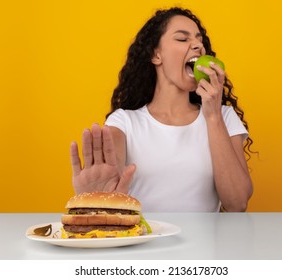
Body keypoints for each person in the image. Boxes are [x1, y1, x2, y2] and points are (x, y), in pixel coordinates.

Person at [70, 7, 254, 212]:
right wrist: (98, 196)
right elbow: (109, 177)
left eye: (199, 40)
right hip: (142, 242)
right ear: (156, 55)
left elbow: (237, 203)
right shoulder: (124, 122)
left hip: (206, 244)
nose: (198, 46)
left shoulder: (223, 117)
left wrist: (213, 117)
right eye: (183, 39)